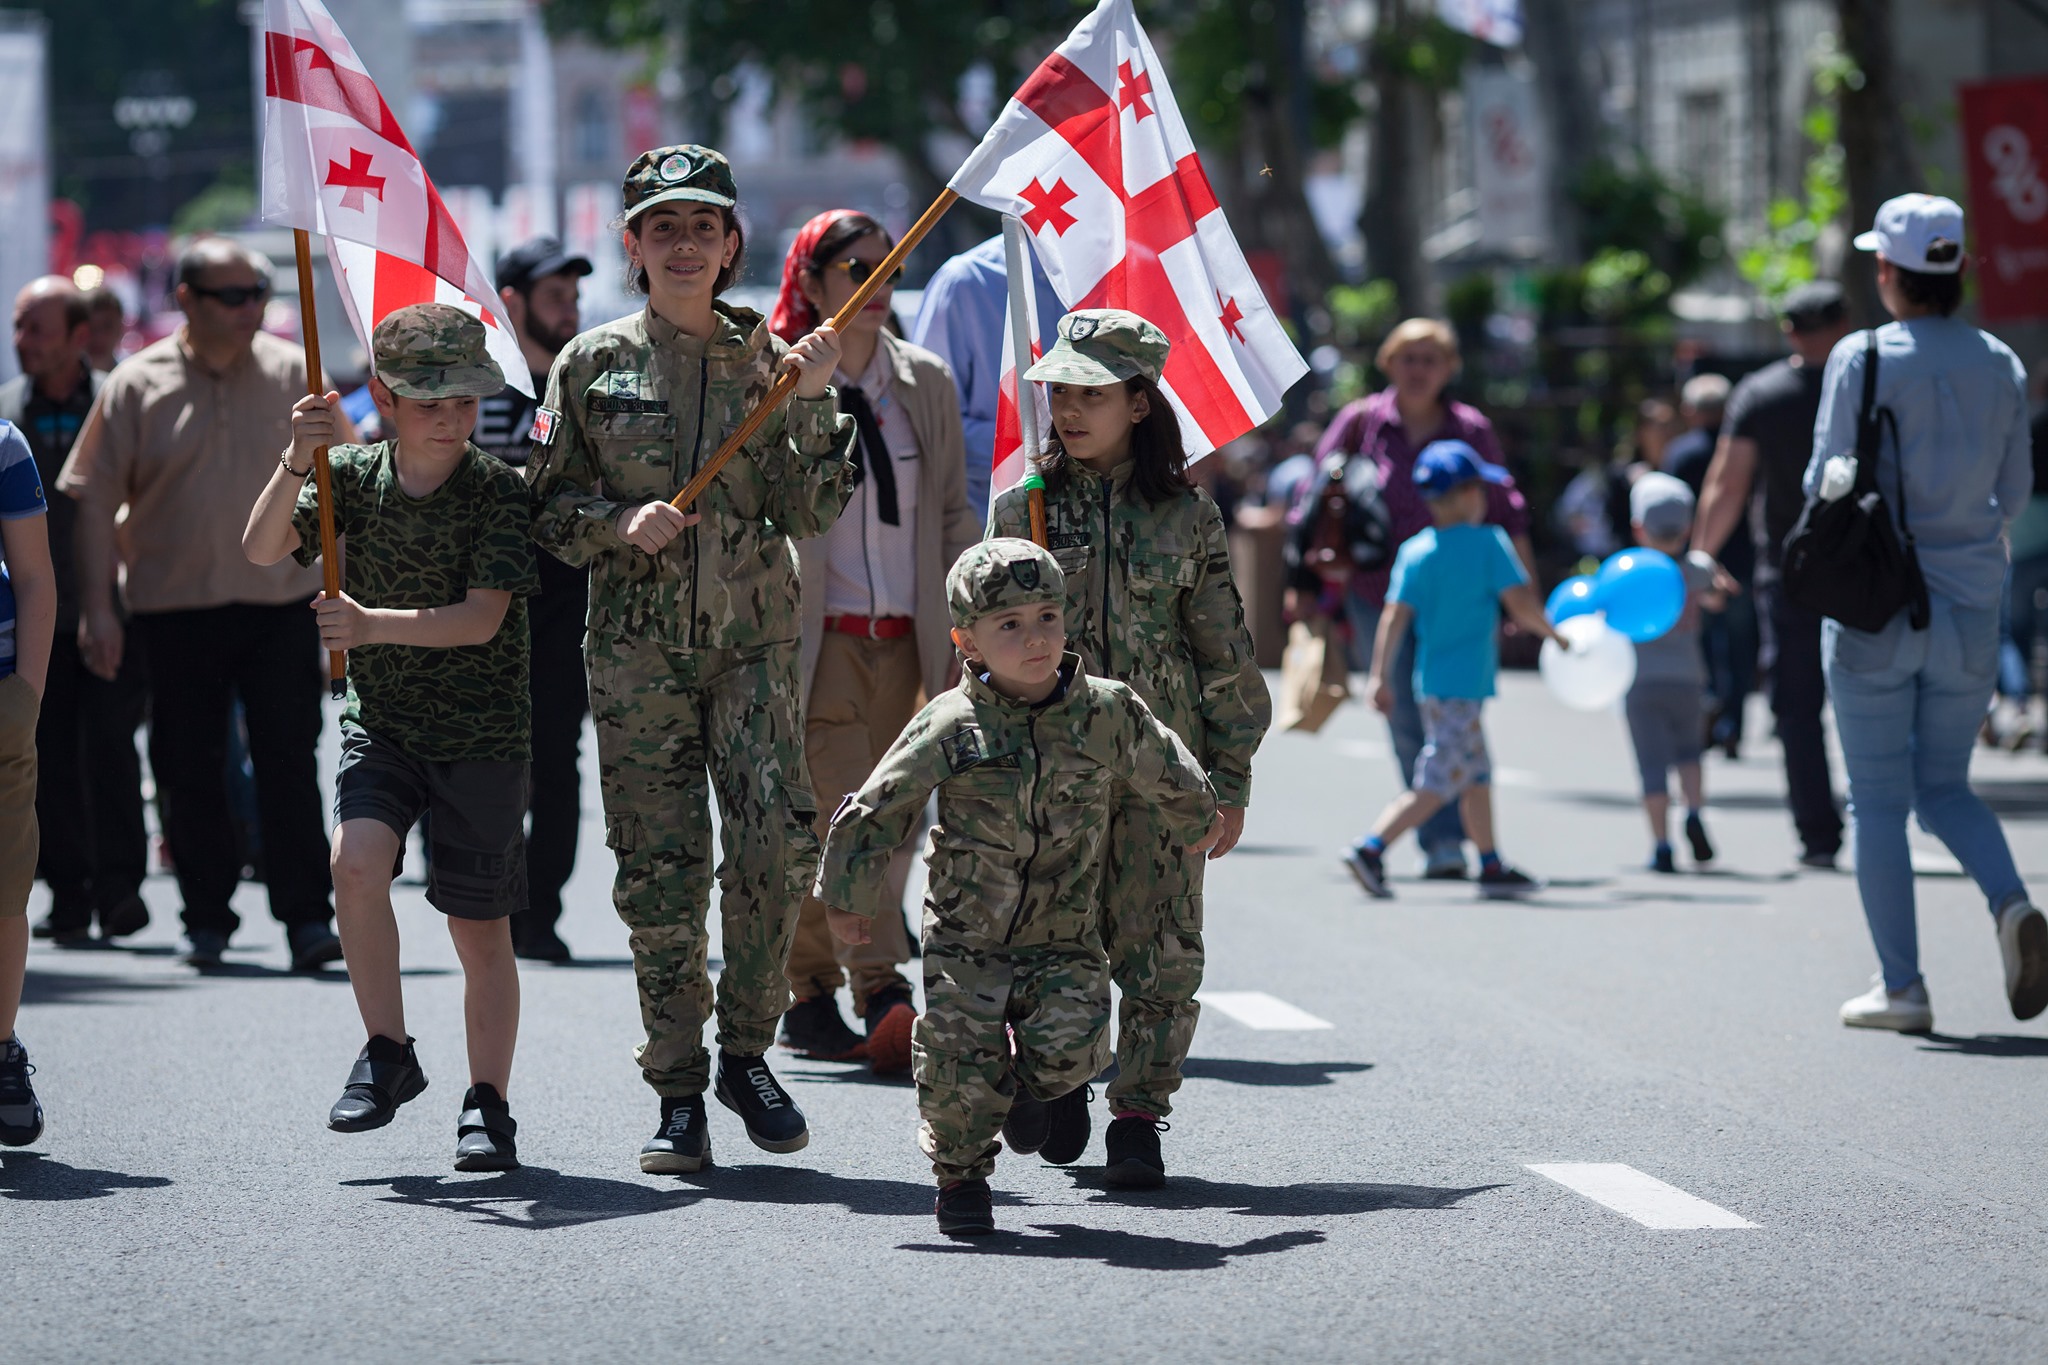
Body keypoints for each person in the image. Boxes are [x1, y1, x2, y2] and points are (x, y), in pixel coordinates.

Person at [527, 145, 855, 1172]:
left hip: (753, 651)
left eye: (702, 227)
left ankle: (746, 1053)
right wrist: (615, 522)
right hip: (638, 661)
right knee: (659, 871)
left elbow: (812, 508)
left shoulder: (776, 362)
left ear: (730, 244)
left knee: (773, 852)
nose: (683, 245)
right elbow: (544, 507)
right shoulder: (588, 365)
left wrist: (815, 400)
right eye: (662, 227)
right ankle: (676, 1086)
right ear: (632, 245)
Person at [814, 539, 1220, 1235]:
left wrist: (1199, 816)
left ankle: (1035, 1083)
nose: (1035, 638)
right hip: (966, 931)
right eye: (1009, 624)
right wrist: (849, 897)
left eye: (1047, 617)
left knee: (1076, 1045)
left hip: (1063, 930)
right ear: (967, 642)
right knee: (956, 1060)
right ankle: (962, 1179)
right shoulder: (952, 722)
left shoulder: (1103, 710)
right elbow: (881, 805)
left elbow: (1164, 762)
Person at [243, 303, 537, 1168]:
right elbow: (261, 546)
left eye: (465, 400)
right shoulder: (351, 476)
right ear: (384, 397)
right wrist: (297, 454)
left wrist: (370, 625)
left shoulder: (497, 490)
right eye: (428, 402)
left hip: (482, 731)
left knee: (478, 931)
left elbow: (481, 619)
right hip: (387, 725)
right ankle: (388, 1050)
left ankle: (488, 1102)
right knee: (355, 863)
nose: (449, 418)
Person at [988, 309, 1270, 1185]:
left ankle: (1139, 1116)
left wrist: (1230, 776)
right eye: (1060, 392)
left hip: (1161, 767)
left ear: (1139, 404)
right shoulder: (1023, 507)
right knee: (1050, 937)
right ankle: (1062, 1068)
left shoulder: (1187, 516)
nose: (1069, 409)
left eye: (1092, 393)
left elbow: (1223, 650)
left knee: (1162, 947)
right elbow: (980, 648)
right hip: (1051, 768)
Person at [58, 239, 344, 972]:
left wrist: (352, 598)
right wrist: (97, 609)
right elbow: (93, 502)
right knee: (188, 766)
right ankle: (207, 914)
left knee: (289, 760)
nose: (251, 307)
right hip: (174, 610)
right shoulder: (135, 383)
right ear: (186, 299)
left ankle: (308, 918)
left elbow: (347, 485)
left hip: (280, 605)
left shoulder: (298, 373)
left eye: (258, 293)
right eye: (233, 295)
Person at [1810, 194, 2043, 1031]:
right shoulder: (2002, 362)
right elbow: (2014, 491)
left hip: (1876, 606)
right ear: (1959, 270)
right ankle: (2012, 902)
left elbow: (1823, 480)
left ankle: (1902, 987)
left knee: (1877, 801)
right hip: (1973, 605)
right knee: (1944, 784)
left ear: (1886, 271)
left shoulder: (1862, 356)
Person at [770, 209, 979, 1074]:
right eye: (857, 269)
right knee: (842, 816)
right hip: (819, 644)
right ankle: (883, 988)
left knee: (894, 823)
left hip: (909, 642)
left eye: (888, 267)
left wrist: (969, 627)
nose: (877, 283)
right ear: (812, 280)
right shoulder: (779, 375)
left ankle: (808, 993)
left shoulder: (925, 380)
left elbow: (954, 512)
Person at [1310, 318, 1534, 881]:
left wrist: (1523, 594)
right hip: (1377, 589)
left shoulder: (1470, 428)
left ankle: (1472, 848)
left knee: (1457, 717)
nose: (1418, 369)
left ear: (1449, 368)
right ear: (1388, 363)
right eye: (1408, 357)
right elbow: (1313, 497)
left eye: (1430, 358)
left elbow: (1507, 510)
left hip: (1459, 598)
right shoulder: (1360, 422)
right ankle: (1441, 841)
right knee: (1409, 718)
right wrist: (1306, 581)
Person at [1344, 440, 1564, 901]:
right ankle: (1371, 848)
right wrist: (1556, 635)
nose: (1485, 498)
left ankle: (1491, 863)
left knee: (1476, 774)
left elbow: (1394, 615)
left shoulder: (1416, 551)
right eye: (1480, 489)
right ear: (1465, 494)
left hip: (1433, 684)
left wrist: (1380, 675)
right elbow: (1520, 603)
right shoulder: (1489, 543)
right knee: (1438, 780)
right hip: (1464, 686)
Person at [2, 278, 147, 943]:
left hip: (114, 608)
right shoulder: (6, 414)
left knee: (113, 747)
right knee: (47, 753)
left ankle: (119, 890)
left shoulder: (119, 401)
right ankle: (66, 893)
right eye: (19, 326)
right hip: (36, 623)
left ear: (78, 336)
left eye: (38, 328)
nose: (22, 341)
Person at [1693, 283, 1853, 869]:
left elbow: (1728, 482)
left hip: (1791, 570)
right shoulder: (1873, 383)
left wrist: (1700, 558)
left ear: (1788, 330)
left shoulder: (1761, 394)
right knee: (1883, 697)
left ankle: (1818, 833)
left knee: (1797, 707)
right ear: (1844, 323)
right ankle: (1887, 813)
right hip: (1871, 568)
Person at [478, 235, 595, 963]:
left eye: (574, 296)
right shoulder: (474, 381)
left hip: (563, 601)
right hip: (480, 601)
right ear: (512, 301)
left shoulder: (587, 383)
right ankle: (485, 900)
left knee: (555, 758)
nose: (569, 309)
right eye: (555, 296)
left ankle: (539, 911)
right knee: (480, 759)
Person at [908, 233, 1065, 527]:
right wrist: (1045, 447)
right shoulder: (967, 281)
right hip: (988, 527)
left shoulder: (1120, 268)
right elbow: (926, 424)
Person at [1622, 474, 1730, 873]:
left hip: (1641, 682)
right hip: (1688, 679)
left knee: (1652, 765)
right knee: (1689, 753)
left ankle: (1662, 846)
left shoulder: (1630, 571)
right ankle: (1694, 812)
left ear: (1638, 527)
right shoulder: (1697, 569)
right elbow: (1717, 600)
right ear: (1687, 528)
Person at [0, 419, 55, 1147]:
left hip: (2, 699)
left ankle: (1, 1046)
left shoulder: (4, 445)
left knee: (5, 889)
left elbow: (36, 577)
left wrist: (25, 697)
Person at [1665, 373, 1755, 759]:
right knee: (1739, 650)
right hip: (1743, 563)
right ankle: (1731, 723)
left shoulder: (1680, 453)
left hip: (1693, 564)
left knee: (1699, 647)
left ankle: (1705, 716)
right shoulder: (1746, 450)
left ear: (1690, 411)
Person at [81, 287, 127, 374]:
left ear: (120, 328)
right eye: (91, 328)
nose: (99, 337)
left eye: (107, 326)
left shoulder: (131, 376)